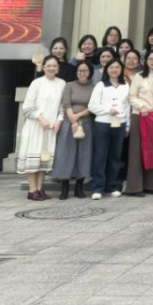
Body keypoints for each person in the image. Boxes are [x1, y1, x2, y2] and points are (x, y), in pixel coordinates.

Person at [17, 55, 66, 201]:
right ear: (43, 68)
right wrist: (41, 119)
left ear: (58, 68)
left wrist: (59, 121)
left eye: (54, 66)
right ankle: (32, 190)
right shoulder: (36, 83)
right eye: (48, 65)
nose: (51, 68)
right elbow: (27, 107)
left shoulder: (62, 83)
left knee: (44, 159)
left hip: (50, 128)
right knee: (34, 158)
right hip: (36, 127)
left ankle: (40, 188)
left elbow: (63, 106)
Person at [52, 59, 95, 200]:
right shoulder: (69, 85)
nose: (82, 73)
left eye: (85, 70)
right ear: (76, 72)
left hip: (86, 123)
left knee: (83, 154)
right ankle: (64, 188)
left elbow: (93, 106)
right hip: (67, 123)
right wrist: (72, 119)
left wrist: (78, 117)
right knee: (65, 154)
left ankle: (79, 187)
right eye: (80, 70)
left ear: (90, 72)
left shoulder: (94, 87)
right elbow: (66, 103)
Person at [87, 58, 129, 200]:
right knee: (100, 156)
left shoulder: (125, 85)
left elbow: (127, 106)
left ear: (121, 69)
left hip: (120, 124)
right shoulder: (101, 85)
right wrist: (107, 110)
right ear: (107, 69)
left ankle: (112, 186)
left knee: (115, 156)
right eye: (111, 67)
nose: (114, 70)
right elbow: (92, 106)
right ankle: (97, 187)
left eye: (117, 67)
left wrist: (127, 125)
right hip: (103, 123)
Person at [126, 49, 153, 197]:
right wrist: (141, 106)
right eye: (150, 59)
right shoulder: (139, 76)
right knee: (136, 151)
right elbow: (131, 96)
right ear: (146, 61)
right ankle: (134, 187)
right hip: (140, 115)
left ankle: (150, 185)